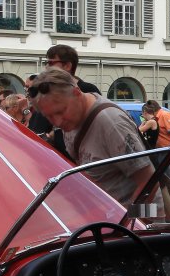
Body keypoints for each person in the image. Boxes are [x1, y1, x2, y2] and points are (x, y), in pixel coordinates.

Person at [31, 68, 162, 212]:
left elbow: (149, 182)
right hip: (108, 216)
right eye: (49, 116)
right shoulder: (71, 118)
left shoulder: (111, 122)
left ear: (77, 93)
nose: (57, 122)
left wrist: (128, 221)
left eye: (61, 111)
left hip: (138, 219)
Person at [138, 99, 170, 224]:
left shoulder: (164, 115)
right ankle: (168, 210)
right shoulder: (156, 118)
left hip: (168, 151)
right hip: (159, 152)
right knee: (164, 180)